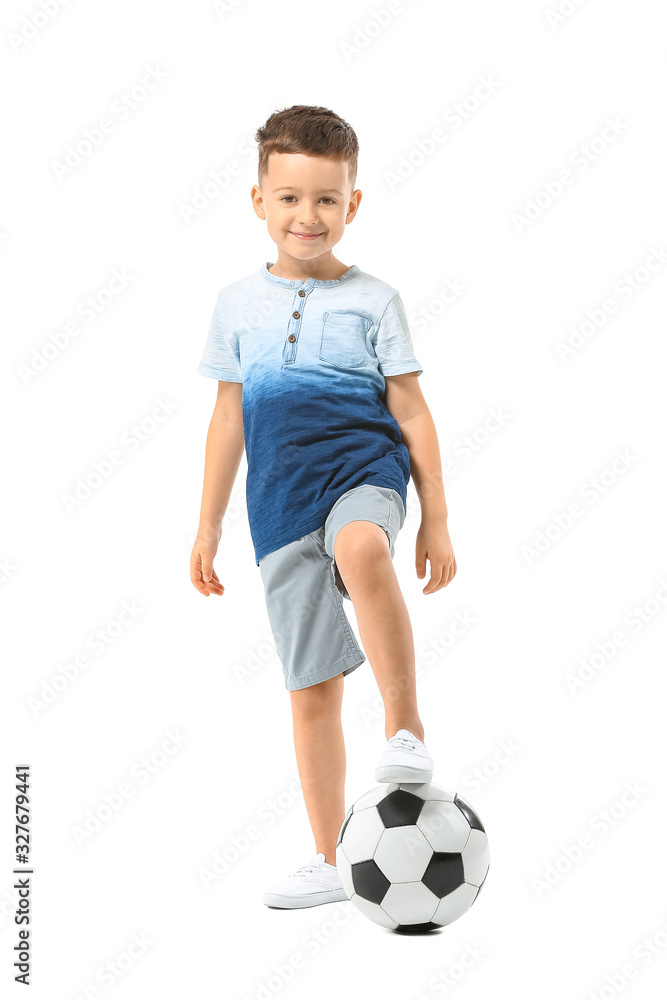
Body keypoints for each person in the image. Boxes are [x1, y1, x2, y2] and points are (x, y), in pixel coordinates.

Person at [191, 105, 456, 909]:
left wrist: (436, 517)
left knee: (362, 549)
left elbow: (410, 410)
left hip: (362, 472)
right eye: (289, 199)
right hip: (276, 504)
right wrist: (206, 525)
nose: (308, 217)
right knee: (310, 689)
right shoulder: (237, 305)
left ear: (353, 204)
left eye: (327, 201)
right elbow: (228, 417)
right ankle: (327, 859)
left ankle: (404, 729)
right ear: (258, 201)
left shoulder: (374, 300)